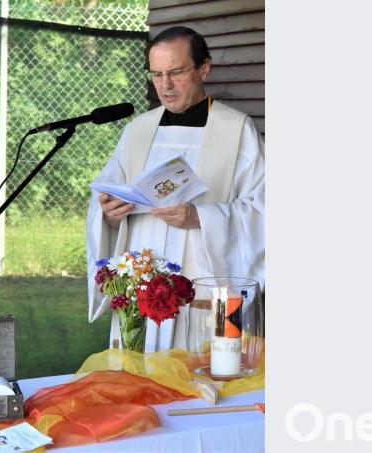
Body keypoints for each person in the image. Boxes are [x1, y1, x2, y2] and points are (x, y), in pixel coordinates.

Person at [86, 26, 265, 351]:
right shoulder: (137, 131)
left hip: (210, 284)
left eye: (176, 72)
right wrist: (109, 216)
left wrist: (202, 217)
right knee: (141, 384)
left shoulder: (237, 130)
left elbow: (264, 209)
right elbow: (105, 199)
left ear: (204, 68)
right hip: (142, 281)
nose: (164, 86)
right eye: (156, 74)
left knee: (211, 376)